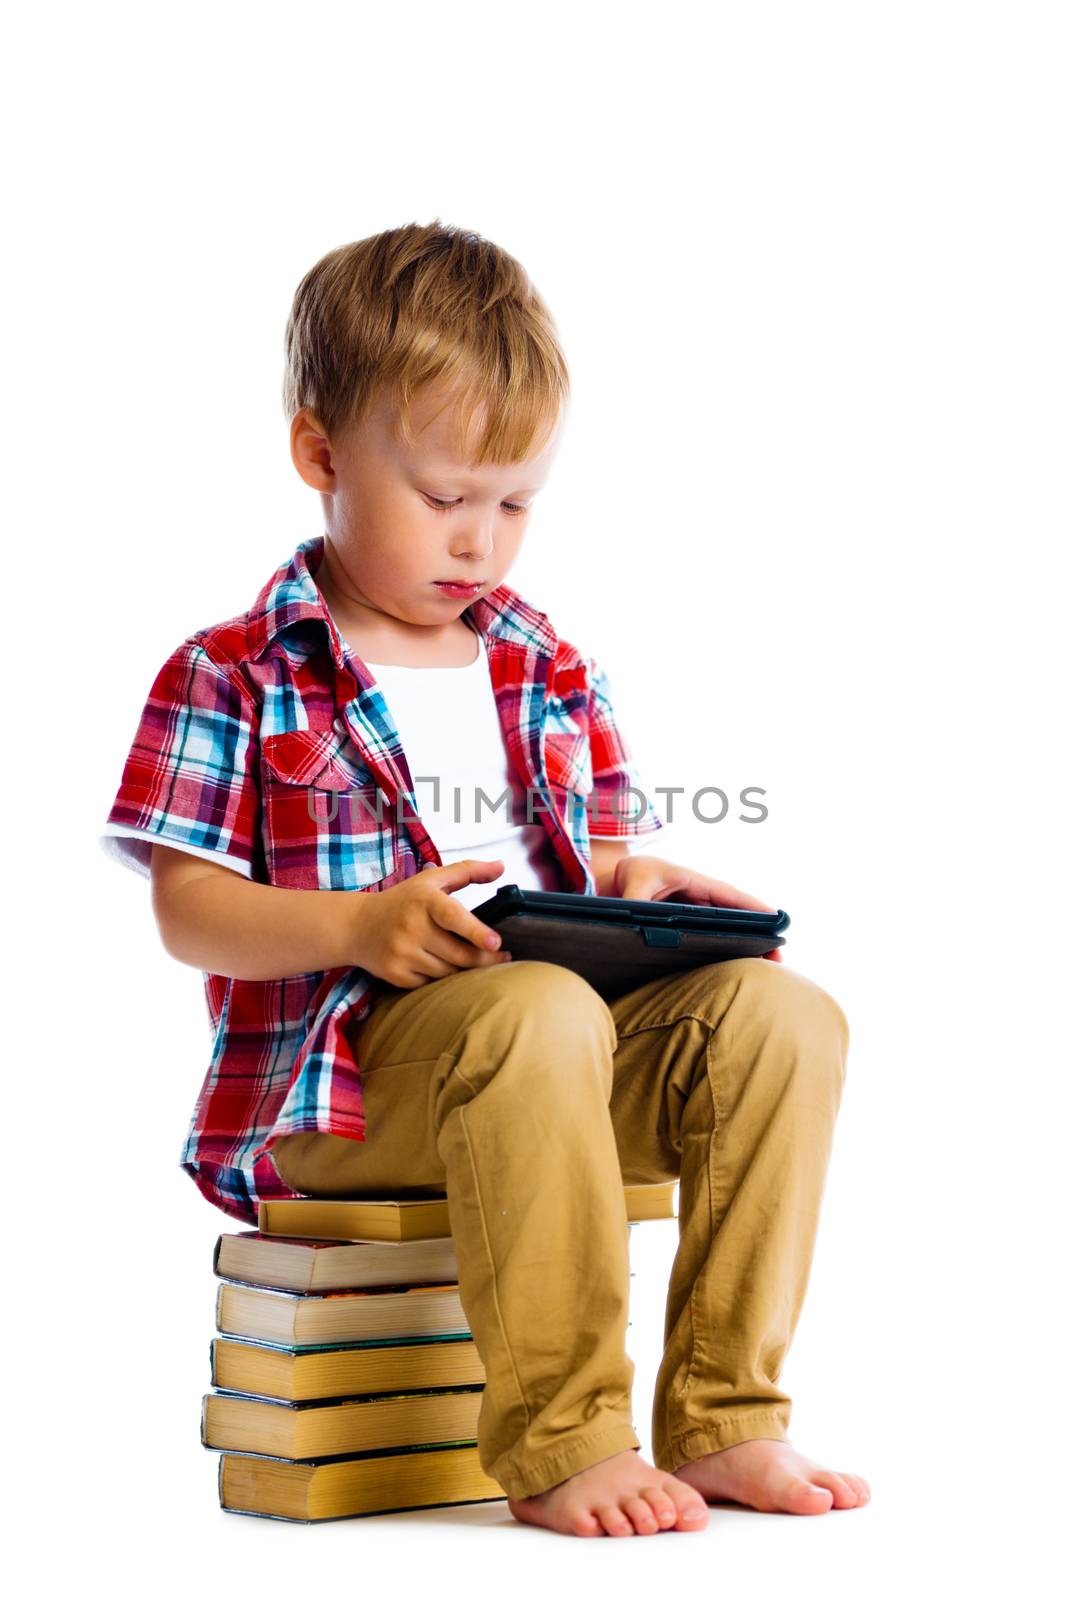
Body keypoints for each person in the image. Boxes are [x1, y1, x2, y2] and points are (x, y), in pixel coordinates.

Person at [100, 219, 869, 1537]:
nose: (482, 542)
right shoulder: (233, 670)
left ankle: (729, 1417)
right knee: (535, 1010)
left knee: (782, 1014)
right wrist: (359, 924)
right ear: (321, 458)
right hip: (344, 1098)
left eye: (514, 504)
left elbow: (602, 850)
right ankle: (564, 1438)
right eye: (446, 499)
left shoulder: (543, 661)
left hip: (556, 1064)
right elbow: (186, 912)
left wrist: (656, 894)